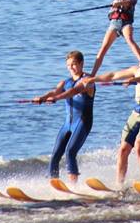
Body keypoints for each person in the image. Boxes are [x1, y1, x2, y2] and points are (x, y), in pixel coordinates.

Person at [83, 38, 140, 185]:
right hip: (136, 112)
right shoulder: (136, 70)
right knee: (123, 149)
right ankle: (119, 183)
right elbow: (113, 76)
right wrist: (93, 79)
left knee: (139, 146)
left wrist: (135, 80)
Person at [31, 50, 96, 184]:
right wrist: (42, 98)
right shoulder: (65, 82)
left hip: (83, 122)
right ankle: (53, 182)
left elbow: (72, 92)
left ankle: (74, 185)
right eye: (68, 65)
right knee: (55, 155)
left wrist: (55, 98)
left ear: (81, 64)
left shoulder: (88, 81)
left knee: (70, 152)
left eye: (74, 64)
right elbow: (54, 91)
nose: (71, 68)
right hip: (68, 124)